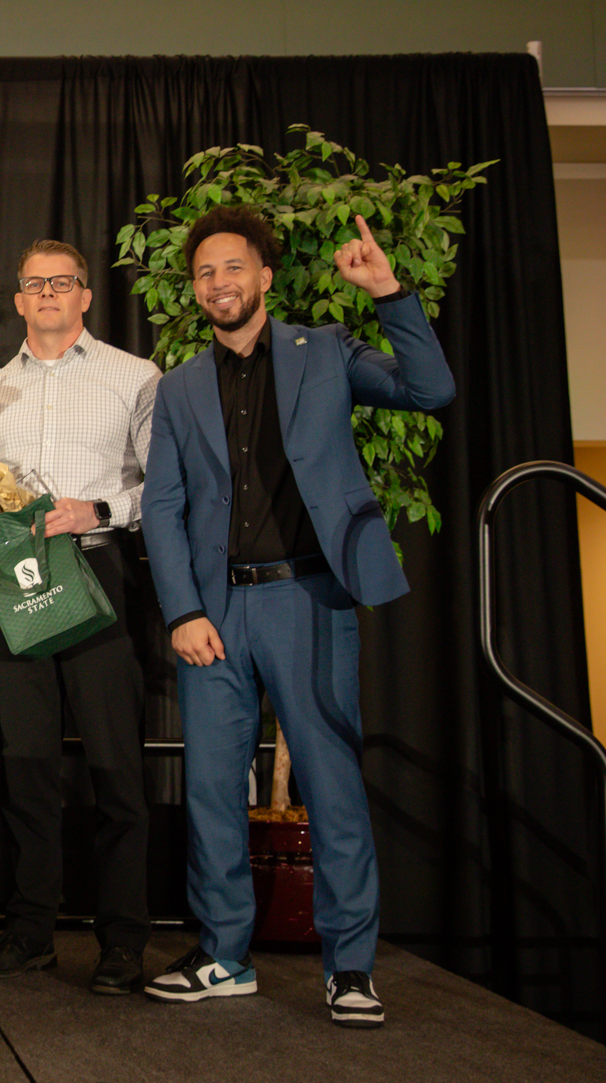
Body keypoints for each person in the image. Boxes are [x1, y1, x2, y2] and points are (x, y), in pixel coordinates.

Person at [139, 207, 454, 1026]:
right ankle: (222, 956)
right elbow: (164, 508)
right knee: (211, 787)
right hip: (214, 612)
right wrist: (181, 609)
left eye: (233, 267)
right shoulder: (175, 389)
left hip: (309, 598)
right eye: (206, 273)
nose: (219, 284)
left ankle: (349, 968)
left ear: (265, 277)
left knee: (330, 781)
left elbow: (431, 389)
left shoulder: (327, 352)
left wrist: (388, 291)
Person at [0, 239, 160, 995]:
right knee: (24, 766)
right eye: (36, 285)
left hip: (95, 566)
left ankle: (123, 940)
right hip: (11, 579)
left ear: (85, 296)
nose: (51, 294)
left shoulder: (136, 376)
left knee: (115, 767)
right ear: (20, 300)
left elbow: (166, 486)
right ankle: (32, 931)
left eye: (64, 283)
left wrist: (102, 507)